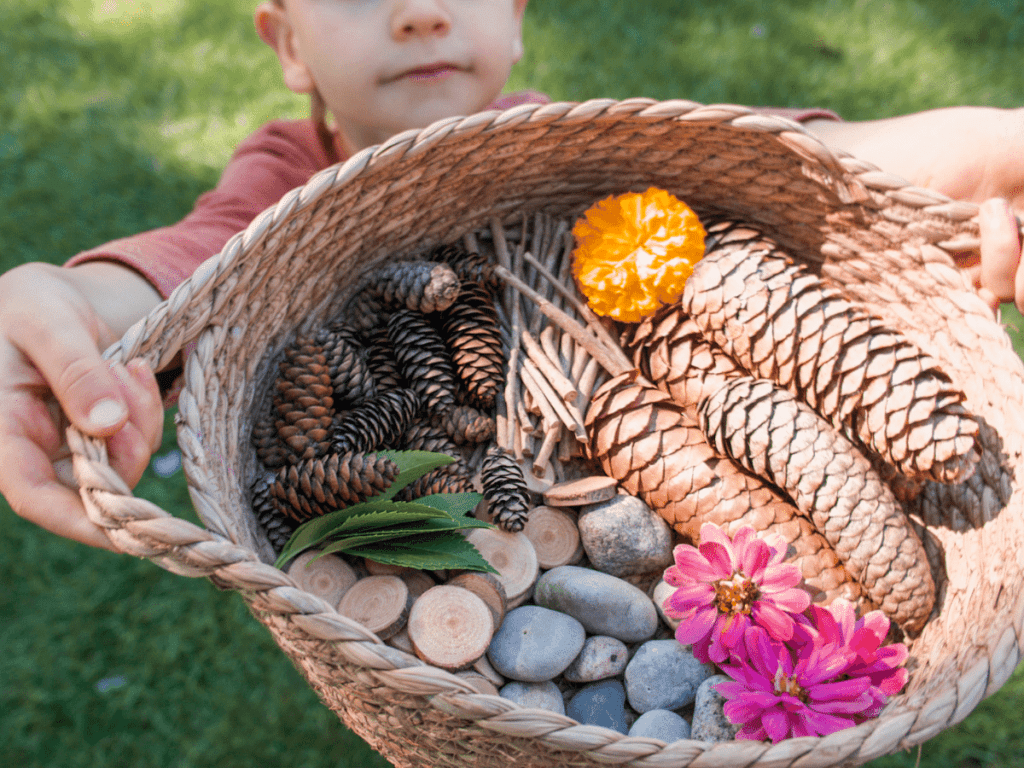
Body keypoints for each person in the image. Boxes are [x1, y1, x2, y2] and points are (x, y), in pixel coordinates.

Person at [0, 0, 1022, 552]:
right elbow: (193, 266)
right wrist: (79, 307)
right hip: (446, 548)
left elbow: (782, 161)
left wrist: (993, 146)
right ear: (287, 44)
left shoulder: (561, 152)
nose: (417, 14)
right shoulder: (283, 182)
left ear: (520, 16)